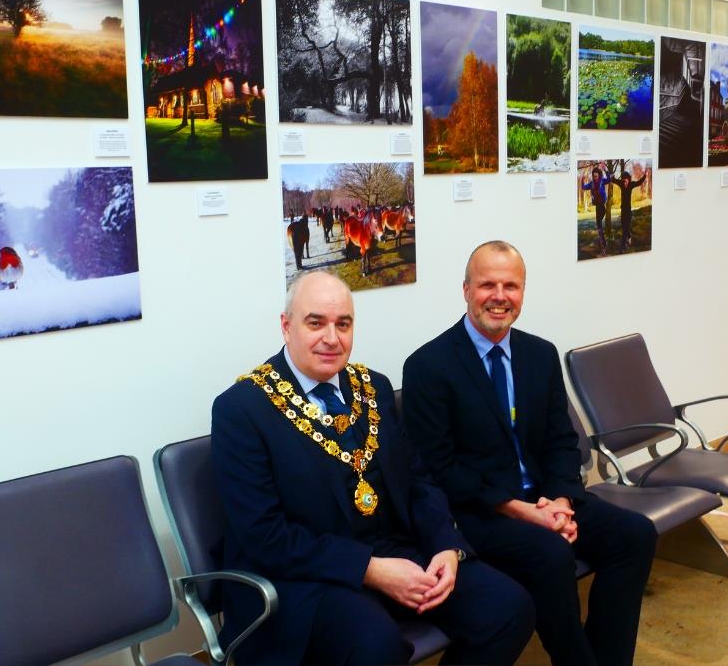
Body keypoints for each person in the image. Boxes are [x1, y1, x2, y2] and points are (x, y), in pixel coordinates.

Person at [212, 271, 534, 666]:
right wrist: (369, 569)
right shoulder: (242, 408)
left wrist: (447, 547)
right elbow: (265, 536)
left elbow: (418, 480)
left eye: (343, 324)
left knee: (508, 608)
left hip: (395, 552)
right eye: (316, 322)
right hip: (306, 578)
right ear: (286, 325)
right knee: (376, 647)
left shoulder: (373, 387)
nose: (332, 338)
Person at [402, 242, 658, 666]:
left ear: (522, 292)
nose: (499, 296)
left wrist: (559, 503)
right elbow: (441, 470)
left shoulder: (540, 354)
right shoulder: (428, 366)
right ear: (466, 290)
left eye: (511, 286)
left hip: (545, 498)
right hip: (479, 514)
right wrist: (525, 512)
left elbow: (561, 441)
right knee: (550, 554)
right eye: (487, 285)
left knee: (635, 535)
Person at [581, 166, 612, 254]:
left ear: (598, 175)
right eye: (594, 176)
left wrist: (606, 169)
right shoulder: (591, 184)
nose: (595, 177)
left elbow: (609, 179)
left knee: (599, 225)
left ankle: (603, 242)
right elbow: (583, 187)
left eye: (596, 176)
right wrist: (582, 178)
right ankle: (603, 243)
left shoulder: (602, 181)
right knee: (599, 226)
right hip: (597, 207)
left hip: (602, 206)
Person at [616, 167, 648, 253]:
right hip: (623, 209)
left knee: (626, 228)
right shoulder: (621, 184)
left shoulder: (631, 184)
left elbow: (639, 182)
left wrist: (645, 175)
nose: (624, 182)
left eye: (626, 180)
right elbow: (613, 180)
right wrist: (606, 170)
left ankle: (623, 247)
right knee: (624, 227)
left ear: (628, 179)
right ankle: (629, 237)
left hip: (628, 211)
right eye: (623, 180)